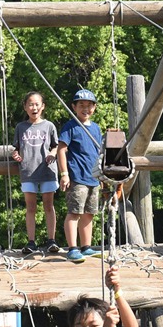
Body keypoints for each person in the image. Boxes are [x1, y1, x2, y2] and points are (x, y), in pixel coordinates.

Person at [12, 91, 60, 255]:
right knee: (30, 206)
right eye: (30, 104)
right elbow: (16, 149)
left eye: (37, 104)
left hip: (47, 170)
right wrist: (15, 155)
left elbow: (55, 145)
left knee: (48, 205)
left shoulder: (49, 126)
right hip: (27, 170)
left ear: (43, 106)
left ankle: (51, 240)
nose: (34, 107)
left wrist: (53, 153)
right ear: (25, 107)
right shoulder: (20, 127)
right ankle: (31, 242)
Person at [56, 89, 102, 263]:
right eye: (81, 105)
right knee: (74, 212)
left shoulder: (96, 128)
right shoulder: (70, 126)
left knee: (89, 213)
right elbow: (61, 149)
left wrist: (102, 176)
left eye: (89, 105)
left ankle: (86, 246)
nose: (85, 109)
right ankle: (72, 248)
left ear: (94, 107)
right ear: (74, 107)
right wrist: (64, 174)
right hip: (77, 177)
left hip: (94, 177)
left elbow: (99, 152)